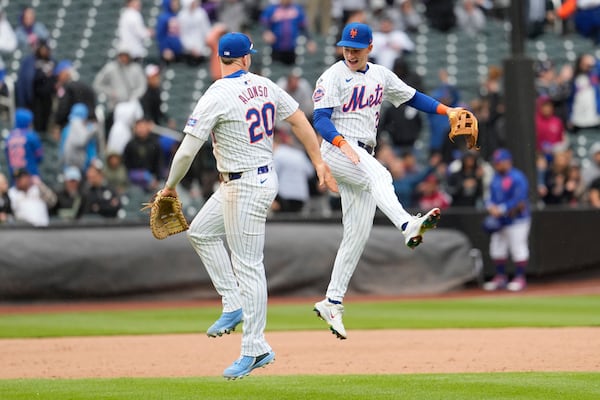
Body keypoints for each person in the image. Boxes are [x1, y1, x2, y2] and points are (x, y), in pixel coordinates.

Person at [157, 32, 337, 379]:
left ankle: (255, 347)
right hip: (246, 181)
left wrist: (169, 187)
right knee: (202, 233)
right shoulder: (264, 85)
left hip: (246, 185)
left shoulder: (216, 95)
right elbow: (300, 119)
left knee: (249, 266)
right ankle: (233, 302)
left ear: (222, 59)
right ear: (246, 58)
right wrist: (316, 160)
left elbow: (186, 151)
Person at [311, 22, 463, 339]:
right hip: (338, 146)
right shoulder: (332, 76)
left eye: (356, 49)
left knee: (356, 234)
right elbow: (321, 119)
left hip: (362, 150)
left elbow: (413, 97)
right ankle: (407, 225)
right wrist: (340, 145)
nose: (350, 53)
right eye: (346, 48)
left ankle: (332, 301)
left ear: (369, 48)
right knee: (381, 174)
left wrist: (446, 111)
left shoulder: (381, 75)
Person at [482, 149, 531, 292]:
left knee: (518, 248)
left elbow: (520, 199)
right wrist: (490, 206)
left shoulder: (517, 177)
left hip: (517, 219)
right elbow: (489, 196)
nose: (497, 165)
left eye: (499, 162)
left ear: (507, 161)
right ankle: (500, 277)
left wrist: (502, 208)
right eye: (496, 163)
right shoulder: (495, 178)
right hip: (500, 219)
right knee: (497, 248)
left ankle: (520, 278)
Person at [260, 0, 316, 66]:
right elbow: (263, 24)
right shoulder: (272, 9)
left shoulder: (297, 9)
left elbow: (304, 27)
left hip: (292, 48)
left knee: (293, 69)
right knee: (275, 69)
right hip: (275, 48)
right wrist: (266, 32)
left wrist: (310, 40)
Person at [272, 129, 314, 213]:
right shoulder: (299, 154)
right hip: (301, 195)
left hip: (283, 196)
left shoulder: (278, 154)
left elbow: (273, 175)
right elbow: (310, 172)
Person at [5, 108, 43, 181]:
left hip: (15, 178)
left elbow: (7, 157)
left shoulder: (9, 137)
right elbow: (39, 156)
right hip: (30, 176)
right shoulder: (31, 136)